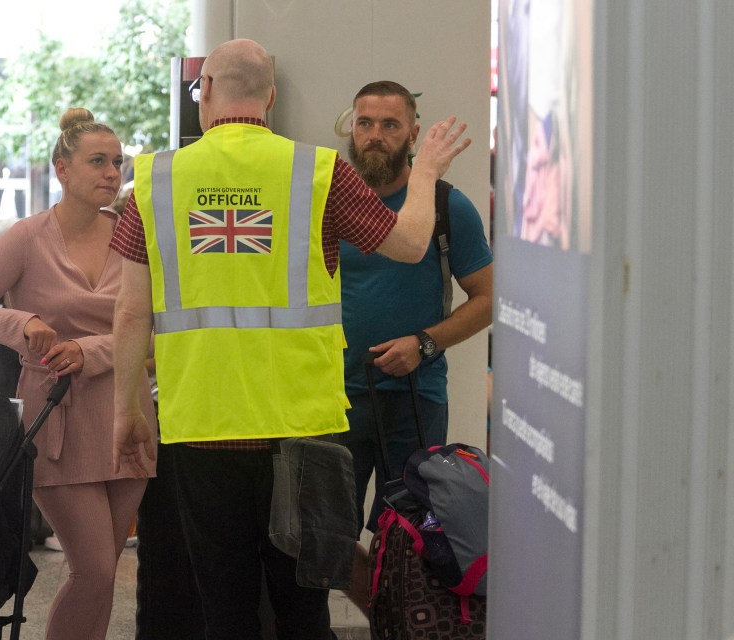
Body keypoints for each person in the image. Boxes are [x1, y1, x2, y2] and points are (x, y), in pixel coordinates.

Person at [110, 38, 470, 640]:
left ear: (206, 97)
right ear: (271, 98)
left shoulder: (156, 180)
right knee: (303, 609)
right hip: (301, 429)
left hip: (201, 426)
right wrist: (427, 170)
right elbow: (409, 245)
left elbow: (128, 313)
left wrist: (128, 409)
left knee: (221, 605)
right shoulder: (319, 172)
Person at [0, 107, 157, 640]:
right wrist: (23, 322)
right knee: (96, 568)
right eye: (97, 162)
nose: (112, 173)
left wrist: (92, 352)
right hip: (56, 418)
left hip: (128, 413)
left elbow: (159, 332)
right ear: (62, 169)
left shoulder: (135, 236)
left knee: (103, 574)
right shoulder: (27, 237)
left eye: (117, 162)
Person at [339, 80, 493, 532]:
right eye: (364, 123)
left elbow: (488, 298)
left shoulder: (446, 205)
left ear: (413, 135)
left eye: (390, 125)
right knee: (326, 542)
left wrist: (424, 344)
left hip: (413, 398)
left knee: (407, 542)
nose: (374, 135)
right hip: (332, 399)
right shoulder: (329, 203)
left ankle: (395, 607)